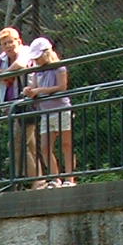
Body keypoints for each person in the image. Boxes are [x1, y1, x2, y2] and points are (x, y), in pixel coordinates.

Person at [0, 27, 40, 188]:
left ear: (18, 41)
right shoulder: (3, 58)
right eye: (4, 43)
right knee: (30, 145)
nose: (8, 46)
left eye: (10, 42)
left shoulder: (26, 51)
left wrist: (5, 73)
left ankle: (34, 182)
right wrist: (5, 72)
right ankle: (40, 179)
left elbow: (21, 64)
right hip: (14, 107)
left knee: (17, 144)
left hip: (28, 103)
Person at [23, 38, 76, 186]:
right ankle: (55, 178)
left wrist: (41, 91)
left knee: (66, 144)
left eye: (38, 57)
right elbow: (33, 87)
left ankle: (70, 178)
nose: (36, 60)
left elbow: (62, 87)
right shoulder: (35, 71)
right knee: (45, 147)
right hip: (45, 112)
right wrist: (29, 91)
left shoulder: (59, 68)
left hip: (61, 109)